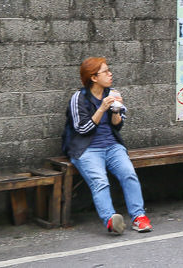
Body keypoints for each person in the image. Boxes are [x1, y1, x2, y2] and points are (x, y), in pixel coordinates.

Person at [64, 57, 152, 234]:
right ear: (94, 77)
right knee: (100, 182)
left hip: (112, 146)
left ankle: (139, 217)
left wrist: (116, 110)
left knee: (129, 174)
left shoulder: (112, 94)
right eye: (105, 71)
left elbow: (118, 125)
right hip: (86, 149)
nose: (110, 74)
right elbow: (82, 129)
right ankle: (111, 220)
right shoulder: (79, 98)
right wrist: (102, 108)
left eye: (109, 70)